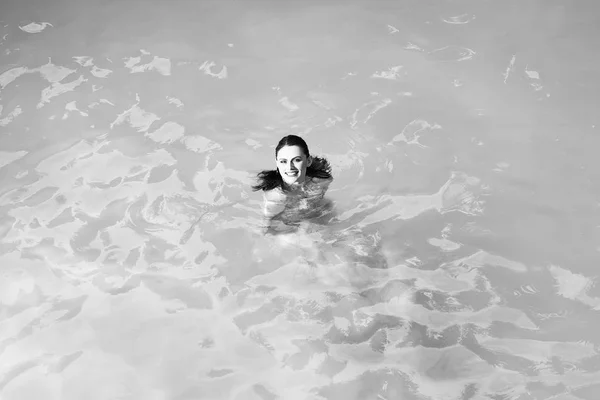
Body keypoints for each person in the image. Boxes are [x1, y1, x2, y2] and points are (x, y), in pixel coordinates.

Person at [252, 135, 334, 234]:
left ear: (308, 161)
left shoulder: (322, 180)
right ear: (277, 163)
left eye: (296, 160)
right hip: (290, 225)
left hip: (320, 213)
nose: (289, 167)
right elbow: (266, 225)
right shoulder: (276, 195)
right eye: (283, 161)